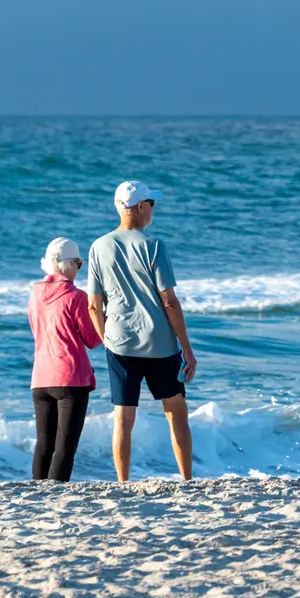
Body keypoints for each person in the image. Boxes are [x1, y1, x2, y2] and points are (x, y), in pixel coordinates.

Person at [87, 180, 198, 481]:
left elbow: (94, 306)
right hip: (160, 342)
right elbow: (169, 301)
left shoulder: (98, 246)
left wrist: (106, 340)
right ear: (139, 207)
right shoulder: (154, 245)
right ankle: (186, 479)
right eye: (152, 204)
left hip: (120, 342)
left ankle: (123, 483)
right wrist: (187, 348)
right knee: (176, 410)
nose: (152, 210)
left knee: (123, 416)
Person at [27, 237, 102, 481]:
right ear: (69, 265)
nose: (79, 269)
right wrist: (105, 318)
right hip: (71, 378)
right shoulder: (76, 297)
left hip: (40, 378)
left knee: (44, 445)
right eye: (78, 264)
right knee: (65, 448)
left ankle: (36, 495)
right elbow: (92, 340)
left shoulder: (34, 294)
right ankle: (55, 497)